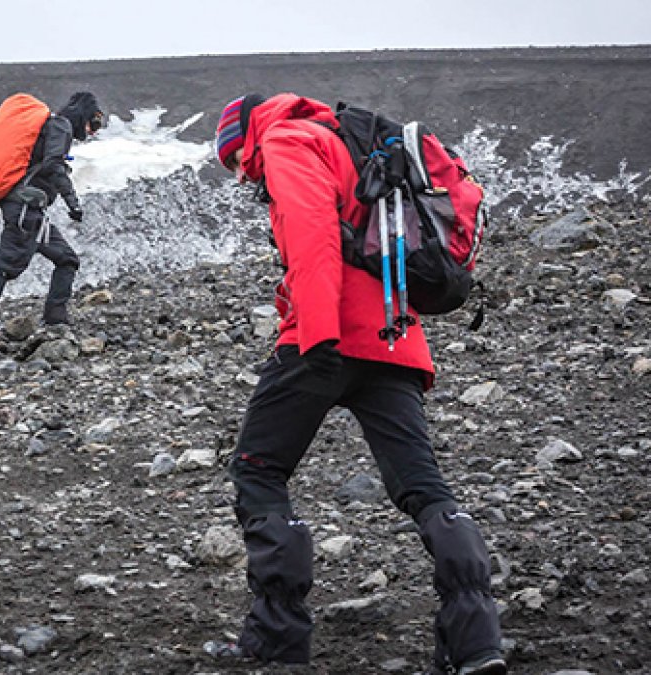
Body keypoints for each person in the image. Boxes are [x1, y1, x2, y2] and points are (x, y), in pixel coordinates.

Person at [206, 93, 506, 675]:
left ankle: (275, 640)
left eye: (235, 161)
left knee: (258, 470)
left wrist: (316, 338)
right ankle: (476, 643)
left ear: (243, 139)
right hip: (395, 339)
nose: (242, 175)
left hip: (326, 335)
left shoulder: (288, 140)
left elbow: (314, 235)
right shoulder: (350, 142)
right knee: (425, 489)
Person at [0, 91, 104, 335]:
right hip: (25, 209)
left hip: (30, 211)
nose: (92, 132)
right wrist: (73, 202)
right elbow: (54, 166)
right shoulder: (60, 126)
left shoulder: (51, 126)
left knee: (66, 259)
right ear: (85, 115)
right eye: (95, 123)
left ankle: (55, 319)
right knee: (5, 265)